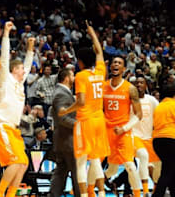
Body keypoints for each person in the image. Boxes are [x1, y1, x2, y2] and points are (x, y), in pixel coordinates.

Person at [58, 21, 109, 197]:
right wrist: (92, 32)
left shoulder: (81, 76)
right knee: (95, 160)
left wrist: (65, 111)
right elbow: (100, 51)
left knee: (80, 162)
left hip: (85, 121)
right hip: (99, 120)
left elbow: (80, 102)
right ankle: (101, 193)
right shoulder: (100, 72)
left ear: (79, 62)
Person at [0, 21, 35, 197]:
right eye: (21, 68)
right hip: (2, 126)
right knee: (15, 162)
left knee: (23, 163)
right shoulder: (6, 79)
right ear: (14, 69)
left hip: (14, 130)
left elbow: (29, 64)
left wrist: (30, 48)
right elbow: (5, 56)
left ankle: (11, 194)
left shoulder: (19, 83)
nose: (25, 70)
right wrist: (7, 34)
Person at [102, 56, 143, 197]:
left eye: (119, 63)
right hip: (107, 132)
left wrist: (124, 128)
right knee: (111, 170)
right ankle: (97, 186)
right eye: (114, 62)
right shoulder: (103, 87)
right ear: (110, 66)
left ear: (124, 68)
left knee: (130, 166)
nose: (116, 64)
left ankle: (138, 195)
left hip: (123, 132)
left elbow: (139, 114)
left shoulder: (130, 89)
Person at [48, 68, 80, 197]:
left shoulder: (61, 92)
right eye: (72, 75)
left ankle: (53, 195)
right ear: (66, 78)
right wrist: (80, 125)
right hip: (68, 140)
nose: (75, 78)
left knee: (61, 172)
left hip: (62, 140)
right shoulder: (61, 94)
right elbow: (63, 118)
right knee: (77, 172)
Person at [133, 75, 161, 192]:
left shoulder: (152, 100)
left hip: (150, 137)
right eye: (137, 83)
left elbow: (158, 116)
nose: (139, 85)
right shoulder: (130, 101)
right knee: (143, 158)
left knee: (157, 165)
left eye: (141, 83)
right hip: (135, 137)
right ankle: (144, 191)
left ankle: (156, 189)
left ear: (146, 86)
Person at [152, 83, 175, 197]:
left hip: (157, 141)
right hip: (171, 139)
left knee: (169, 168)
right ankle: (158, 194)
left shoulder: (159, 106)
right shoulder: (173, 105)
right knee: (167, 172)